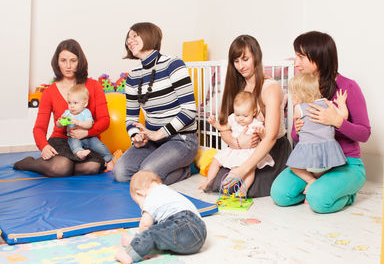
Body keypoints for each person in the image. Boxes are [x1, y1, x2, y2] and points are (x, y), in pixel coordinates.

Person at [270, 31, 371, 213]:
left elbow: (364, 133)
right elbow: (299, 139)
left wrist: (337, 121)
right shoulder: (302, 89)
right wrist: (297, 129)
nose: (296, 62)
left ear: (318, 56)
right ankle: (317, 187)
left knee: (318, 201)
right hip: (311, 162)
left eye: (301, 57)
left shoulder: (348, 87)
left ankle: (346, 194)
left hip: (346, 163)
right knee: (280, 194)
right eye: (296, 56)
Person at [113, 22, 198, 185]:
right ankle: (164, 167)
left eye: (134, 35)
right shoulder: (132, 77)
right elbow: (130, 118)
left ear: (149, 35)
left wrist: (160, 133)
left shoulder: (173, 64)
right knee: (120, 173)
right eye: (128, 38)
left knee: (147, 173)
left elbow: (189, 111)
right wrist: (135, 136)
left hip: (181, 139)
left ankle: (186, 170)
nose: (129, 41)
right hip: (151, 140)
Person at [207, 35, 292, 198]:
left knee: (242, 184)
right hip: (243, 148)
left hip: (270, 150)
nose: (240, 66)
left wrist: (242, 169)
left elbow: (271, 137)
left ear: (256, 57)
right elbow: (225, 124)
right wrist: (235, 142)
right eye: (236, 61)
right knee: (220, 184)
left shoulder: (270, 88)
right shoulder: (238, 86)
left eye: (245, 59)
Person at [13, 39, 110, 177]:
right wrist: (44, 146)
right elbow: (39, 128)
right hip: (61, 140)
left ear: (80, 61)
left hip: (87, 140)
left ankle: (67, 166)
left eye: (73, 60)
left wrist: (87, 133)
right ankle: (29, 163)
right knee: (61, 167)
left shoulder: (94, 86)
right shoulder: (49, 92)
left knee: (92, 167)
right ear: (57, 62)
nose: (68, 66)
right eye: (63, 60)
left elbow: (105, 120)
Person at [115, 170, 207, 263]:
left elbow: (145, 226)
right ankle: (138, 242)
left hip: (184, 226)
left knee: (151, 233)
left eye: (138, 203)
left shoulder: (150, 197)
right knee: (161, 234)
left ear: (140, 193)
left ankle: (130, 253)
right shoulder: (167, 192)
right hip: (200, 233)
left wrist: (140, 238)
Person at [198, 91, 274, 193]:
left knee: (249, 170)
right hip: (233, 149)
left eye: (245, 115)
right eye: (238, 115)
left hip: (248, 152)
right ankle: (208, 181)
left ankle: (243, 189)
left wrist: (261, 133)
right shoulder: (233, 119)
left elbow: (265, 138)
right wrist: (214, 123)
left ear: (254, 112)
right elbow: (223, 128)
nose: (241, 118)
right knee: (215, 161)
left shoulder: (256, 123)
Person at [285, 73, 348, 194]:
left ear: (297, 96)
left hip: (309, 151)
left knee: (294, 167)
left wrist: (297, 123)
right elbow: (344, 116)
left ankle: (311, 181)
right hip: (328, 151)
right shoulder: (327, 103)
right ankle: (319, 185)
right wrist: (341, 104)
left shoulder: (299, 108)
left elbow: (297, 124)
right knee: (326, 171)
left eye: (292, 95)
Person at [56, 84, 114, 170]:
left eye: (75, 103)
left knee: (99, 146)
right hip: (74, 137)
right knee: (74, 144)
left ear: (85, 103)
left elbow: (89, 124)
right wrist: (60, 121)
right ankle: (80, 153)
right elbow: (58, 125)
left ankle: (109, 160)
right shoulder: (67, 113)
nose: (71, 106)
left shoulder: (86, 112)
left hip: (89, 137)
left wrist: (78, 122)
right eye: (69, 102)